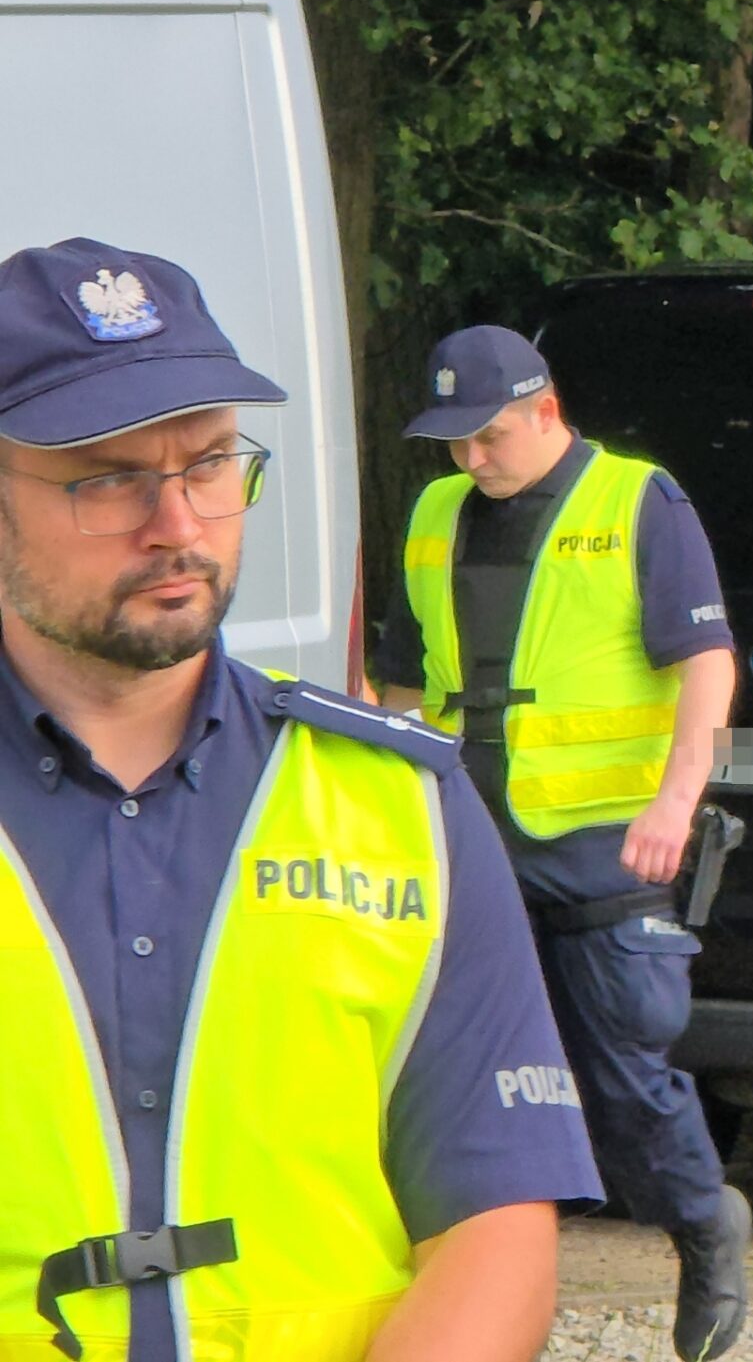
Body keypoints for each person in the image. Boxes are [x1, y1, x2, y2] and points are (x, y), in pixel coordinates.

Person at [0, 238, 601, 1362]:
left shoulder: (400, 803)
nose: (179, 525)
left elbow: (496, 1224)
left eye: (209, 465)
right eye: (110, 479)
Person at [374, 324, 749, 1361]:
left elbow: (708, 665)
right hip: (465, 841)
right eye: (454, 441)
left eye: (489, 436)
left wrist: (675, 802)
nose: (470, 458)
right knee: (455, 1081)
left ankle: (704, 1226)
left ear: (546, 411)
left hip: (603, 850)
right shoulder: (435, 513)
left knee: (622, 1083)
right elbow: (402, 684)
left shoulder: (637, 500)